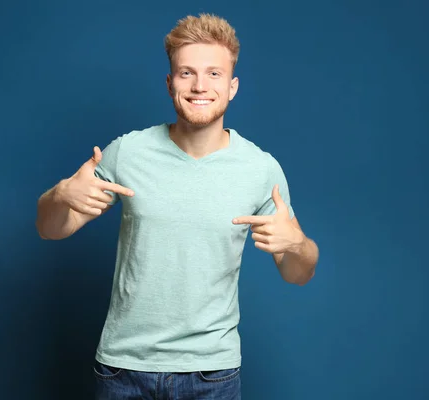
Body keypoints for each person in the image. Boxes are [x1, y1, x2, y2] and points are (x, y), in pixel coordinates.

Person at [35, 13, 319, 400]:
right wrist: (60, 194)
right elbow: (51, 228)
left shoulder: (260, 169)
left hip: (212, 374)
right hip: (124, 370)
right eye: (187, 73)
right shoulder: (129, 152)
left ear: (232, 86)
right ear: (170, 84)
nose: (200, 85)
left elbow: (298, 273)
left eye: (214, 74)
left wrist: (297, 244)